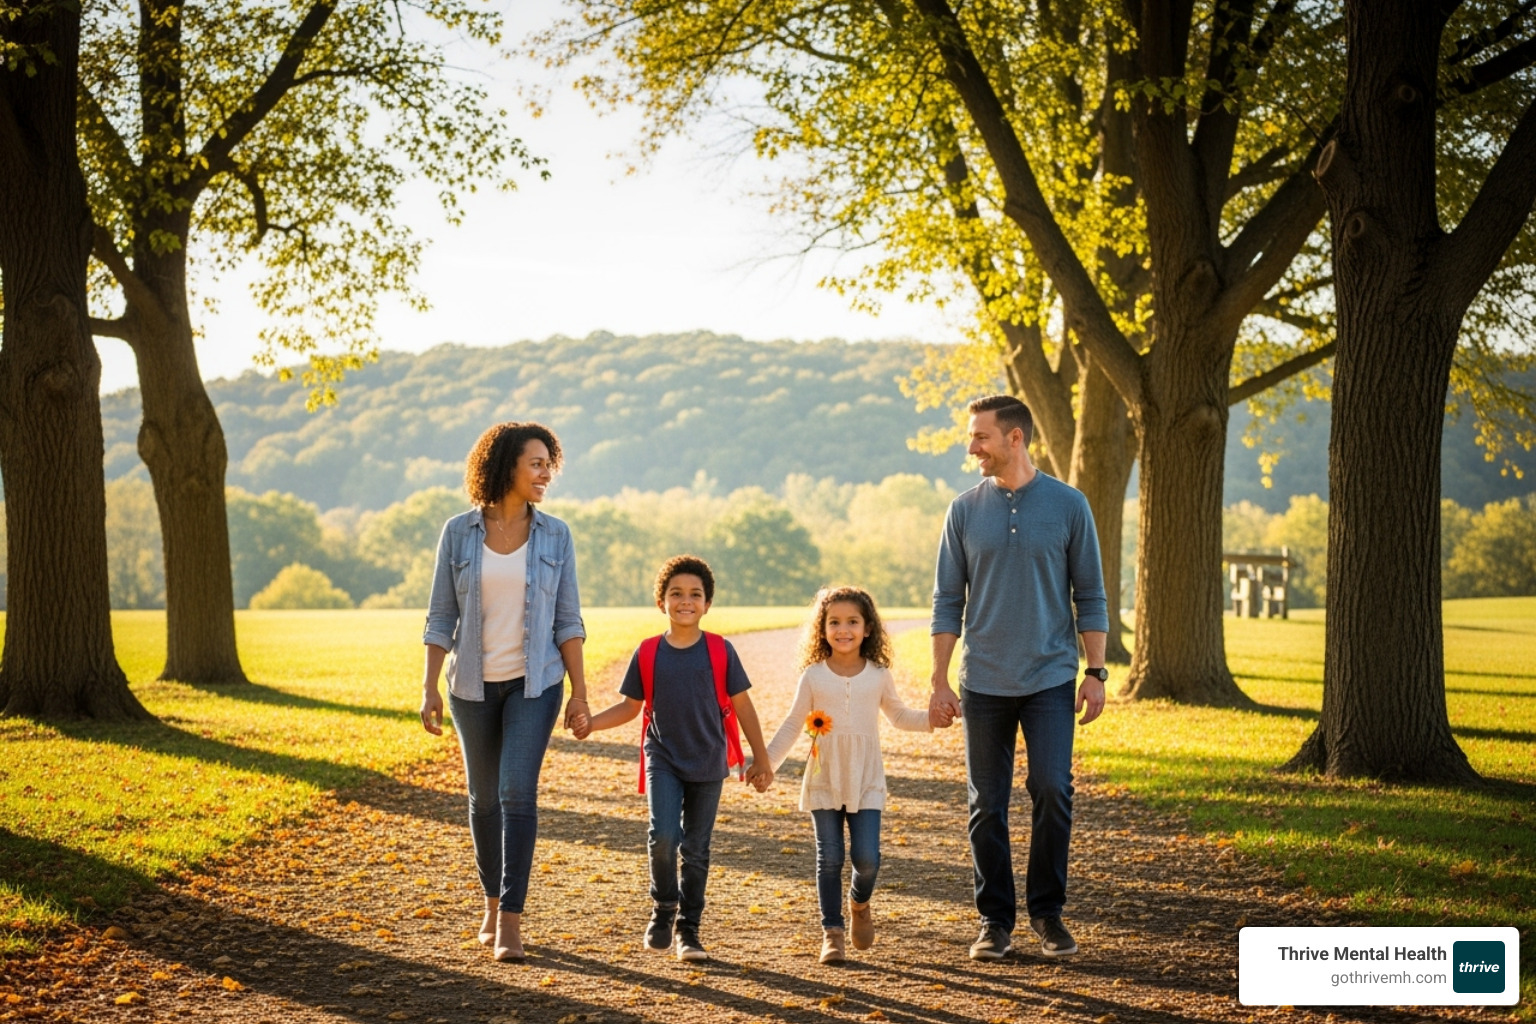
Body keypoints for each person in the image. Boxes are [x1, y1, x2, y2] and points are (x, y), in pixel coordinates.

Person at [929, 394, 1109, 962]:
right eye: (971, 437)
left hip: (1051, 676)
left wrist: (1096, 671)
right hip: (983, 678)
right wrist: (939, 679)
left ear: (1015, 438)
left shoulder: (1069, 504)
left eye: (980, 436)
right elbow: (946, 601)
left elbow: (1091, 595)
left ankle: (1048, 913)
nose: (972, 447)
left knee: (1053, 789)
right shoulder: (963, 510)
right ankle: (994, 920)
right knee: (987, 802)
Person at [419, 421, 589, 963]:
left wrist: (580, 693)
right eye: (536, 463)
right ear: (505, 466)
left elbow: (568, 620)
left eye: (548, 465)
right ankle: (491, 903)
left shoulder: (556, 535)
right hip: (470, 685)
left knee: (517, 793)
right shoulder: (459, 532)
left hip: (535, 684)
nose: (545, 474)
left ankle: (511, 921)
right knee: (483, 799)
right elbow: (441, 616)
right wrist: (429, 688)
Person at [574, 555, 773, 962]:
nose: (686, 601)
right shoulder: (647, 652)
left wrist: (761, 757)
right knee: (664, 836)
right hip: (662, 755)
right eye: (676, 594)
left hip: (708, 758)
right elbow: (630, 708)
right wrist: (591, 724)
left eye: (695, 595)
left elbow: (743, 705)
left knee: (697, 848)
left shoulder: (720, 650)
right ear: (661, 602)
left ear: (707, 604)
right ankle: (665, 907)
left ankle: (689, 929)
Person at [761, 585, 933, 964]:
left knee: (867, 858)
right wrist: (766, 764)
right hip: (825, 776)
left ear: (868, 628)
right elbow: (792, 725)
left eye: (852, 621)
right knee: (830, 858)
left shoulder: (878, 675)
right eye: (834, 622)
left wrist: (933, 719)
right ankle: (832, 933)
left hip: (866, 778)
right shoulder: (813, 677)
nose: (843, 629)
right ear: (822, 630)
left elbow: (900, 716)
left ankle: (859, 903)